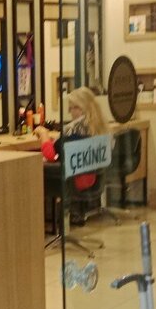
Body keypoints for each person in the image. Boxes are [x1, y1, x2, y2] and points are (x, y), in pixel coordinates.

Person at [34, 86, 109, 225]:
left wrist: (44, 135)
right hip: (91, 178)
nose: (70, 111)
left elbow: (51, 155)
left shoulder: (74, 130)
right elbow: (63, 148)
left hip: (74, 180)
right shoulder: (98, 126)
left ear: (83, 108)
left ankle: (37, 223)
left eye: (73, 107)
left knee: (33, 170)